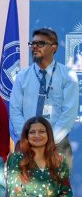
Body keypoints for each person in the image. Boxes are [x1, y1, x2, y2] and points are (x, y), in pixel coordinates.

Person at [9, 28, 79, 164]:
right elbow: (15, 110)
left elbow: (69, 114)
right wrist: (28, 138)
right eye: (32, 43)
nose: (34, 47)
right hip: (26, 146)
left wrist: (50, 141)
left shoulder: (68, 76)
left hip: (57, 145)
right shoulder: (22, 76)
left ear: (54, 47)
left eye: (40, 43)